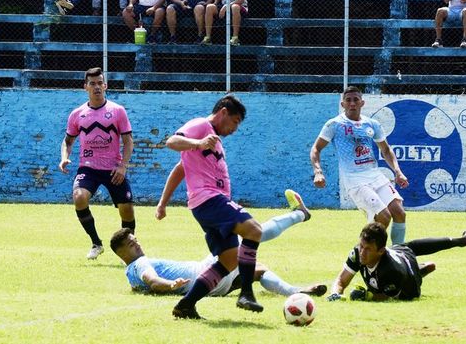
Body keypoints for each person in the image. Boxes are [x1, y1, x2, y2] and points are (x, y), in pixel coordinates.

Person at [166, 94, 268, 319]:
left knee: (229, 260)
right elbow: (172, 141)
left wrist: (163, 204)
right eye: (235, 122)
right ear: (223, 112)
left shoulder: (213, 140)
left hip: (207, 204)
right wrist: (198, 142)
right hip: (209, 200)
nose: (235, 128)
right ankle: (246, 294)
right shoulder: (201, 126)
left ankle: (186, 305)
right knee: (254, 230)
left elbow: (181, 168)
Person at [111, 203, 325, 298]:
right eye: (132, 244)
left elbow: (143, 286)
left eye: (136, 239)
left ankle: (295, 291)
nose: (138, 244)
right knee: (252, 232)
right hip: (207, 273)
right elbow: (152, 281)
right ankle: (299, 214)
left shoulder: (129, 273)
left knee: (257, 270)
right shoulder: (139, 264)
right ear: (122, 253)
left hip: (211, 288)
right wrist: (171, 284)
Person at [310, 86, 409, 245]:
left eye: (356, 100)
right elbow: (316, 149)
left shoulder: (372, 124)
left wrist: (397, 171)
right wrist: (318, 172)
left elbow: (385, 149)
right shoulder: (334, 125)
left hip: (375, 175)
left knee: (399, 212)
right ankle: (362, 255)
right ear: (342, 104)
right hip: (355, 180)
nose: (352, 103)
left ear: (362, 102)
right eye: (348, 100)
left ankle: (399, 252)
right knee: (384, 216)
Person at [58, 67, 135, 260]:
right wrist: (64, 157)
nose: (97, 87)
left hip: (113, 168)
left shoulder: (117, 111)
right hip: (88, 167)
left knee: (126, 209)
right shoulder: (77, 114)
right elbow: (67, 141)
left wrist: (123, 166)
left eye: (100, 83)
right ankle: (96, 243)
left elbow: (128, 141)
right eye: (92, 83)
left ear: (106, 85)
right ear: (85, 87)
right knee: (79, 196)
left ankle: (128, 248)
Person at [326, 222, 466, 302]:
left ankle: (419, 271)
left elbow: (387, 297)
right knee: (411, 246)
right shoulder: (358, 253)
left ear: (381, 251)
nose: (362, 253)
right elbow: (341, 280)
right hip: (400, 251)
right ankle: (463, 240)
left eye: (368, 249)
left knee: (407, 269)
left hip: (408, 282)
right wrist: (335, 294)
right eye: (361, 246)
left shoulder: (391, 270)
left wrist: (366, 296)